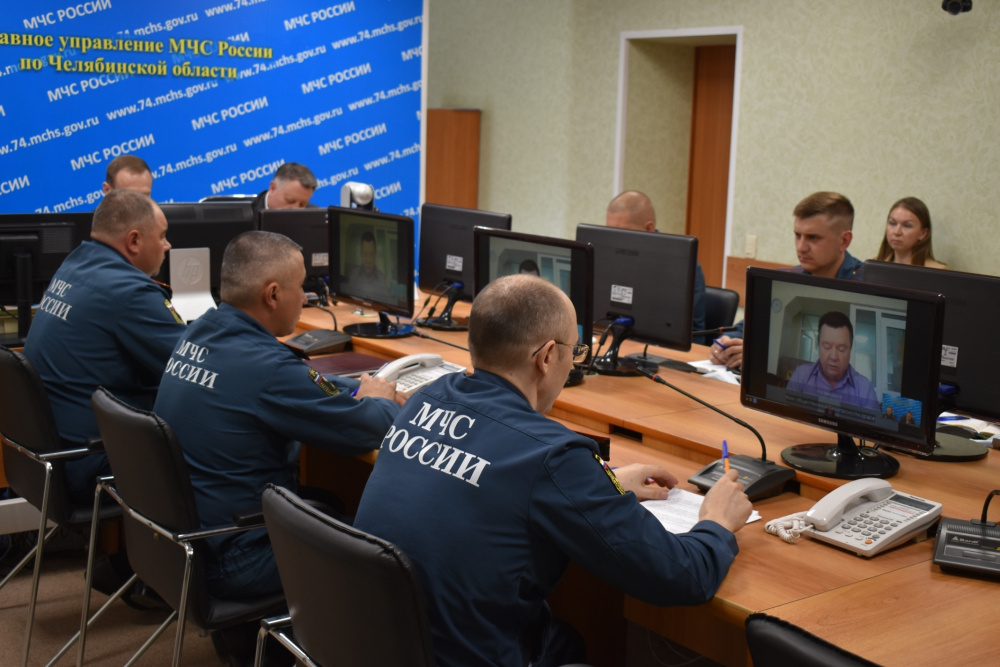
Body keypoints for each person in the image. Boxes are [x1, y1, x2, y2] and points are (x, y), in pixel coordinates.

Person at [354, 274, 752, 667]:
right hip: (468, 655)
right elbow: (679, 576)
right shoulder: (553, 455)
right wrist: (716, 523)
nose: (573, 362)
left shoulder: (427, 398)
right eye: (574, 351)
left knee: (565, 639)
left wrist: (602, 481)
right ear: (546, 357)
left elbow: (497, 469)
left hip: (376, 644)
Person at [153, 230, 404, 665]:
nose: (306, 298)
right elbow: (368, 430)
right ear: (272, 295)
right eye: (301, 287)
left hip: (183, 543)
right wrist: (380, 399)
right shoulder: (266, 368)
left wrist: (357, 388)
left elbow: (300, 383)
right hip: (235, 556)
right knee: (391, 552)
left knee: (330, 503)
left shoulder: (202, 332)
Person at [23, 189, 184, 504]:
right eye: (162, 236)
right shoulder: (131, 292)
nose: (168, 245)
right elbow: (195, 367)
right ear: (134, 241)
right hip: (93, 463)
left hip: (51, 459)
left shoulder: (75, 263)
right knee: (220, 445)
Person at [711, 191, 862, 369]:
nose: (801, 247)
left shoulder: (869, 286)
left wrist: (759, 355)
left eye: (813, 237)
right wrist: (725, 345)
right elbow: (746, 329)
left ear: (844, 241)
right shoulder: (782, 280)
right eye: (797, 235)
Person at [605, 190, 708, 342]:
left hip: (662, 349)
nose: (616, 240)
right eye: (610, 231)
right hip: (616, 340)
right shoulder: (608, 257)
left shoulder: (682, 266)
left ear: (648, 228)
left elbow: (694, 334)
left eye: (621, 232)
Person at [785, 311, 880, 411]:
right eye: (827, 347)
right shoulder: (800, 376)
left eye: (841, 349)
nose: (834, 357)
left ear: (850, 350)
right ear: (819, 347)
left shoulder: (865, 389)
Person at [873, 196, 946, 269]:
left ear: (923, 233)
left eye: (907, 226)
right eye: (892, 223)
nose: (897, 232)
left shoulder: (937, 270)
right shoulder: (874, 265)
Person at [251, 162, 317, 213]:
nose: (295, 210)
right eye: (290, 201)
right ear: (273, 188)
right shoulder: (248, 214)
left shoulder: (317, 219)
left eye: (302, 205)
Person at [347, 230, 393, 302]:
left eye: (371, 255)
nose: (368, 260)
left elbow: (387, 304)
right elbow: (348, 300)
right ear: (361, 254)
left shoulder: (382, 279)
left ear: (375, 255)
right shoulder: (354, 274)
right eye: (365, 254)